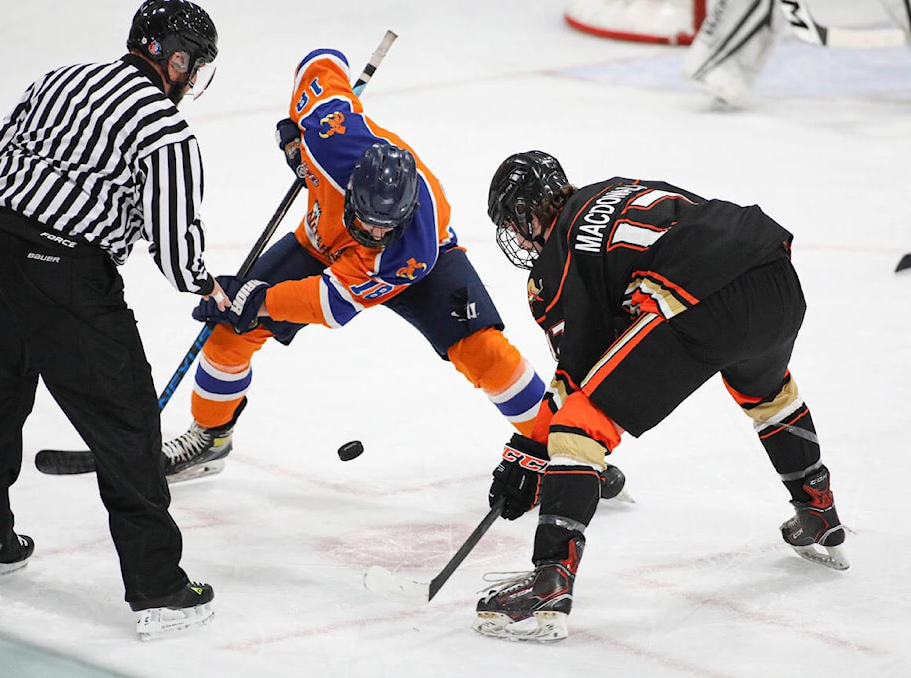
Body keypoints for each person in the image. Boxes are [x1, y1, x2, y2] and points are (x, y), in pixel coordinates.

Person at [164, 47, 628, 500]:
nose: (374, 234)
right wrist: (296, 133)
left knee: (483, 351)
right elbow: (322, 61)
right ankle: (211, 436)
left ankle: (564, 450)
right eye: (366, 220)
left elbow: (329, 303)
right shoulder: (330, 136)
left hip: (414, 271)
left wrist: (259, 300)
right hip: (321, 244)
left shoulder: (411, 249)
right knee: (228, 331)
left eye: (387, 227)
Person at [473, 150, 848, 643]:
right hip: (774, 275)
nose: (518, 239)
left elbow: (575, 376)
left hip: (698, 298)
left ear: (527, 214)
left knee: (579, 426)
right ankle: (818, 510)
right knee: (768, 393)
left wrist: (529, 452)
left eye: (514, 225)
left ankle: (550, 580)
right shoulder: (615, 188)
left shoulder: (558, 258)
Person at [0, 0, 225, 640]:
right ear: (172, 56)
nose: (192, 80)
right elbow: (174, 245)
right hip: (64, 274)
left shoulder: (58, 79)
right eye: (192, 64)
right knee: (128, 423)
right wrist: (208, 286)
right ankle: (160, 589)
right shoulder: (163, 127)